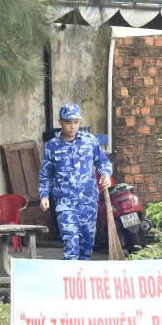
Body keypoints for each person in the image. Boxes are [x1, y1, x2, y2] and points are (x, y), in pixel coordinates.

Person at [38, 103, 112, 261]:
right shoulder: (52, 146)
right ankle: (69, 276)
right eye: (68, 122)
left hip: (88, 203)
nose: (72, 127)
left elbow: (102, 162)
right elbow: (46, 174)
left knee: (86, 250)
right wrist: (44, 195)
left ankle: (82, 277)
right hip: (65, 204)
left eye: (76, 122)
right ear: (60, 122)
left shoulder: (90, 141)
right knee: (71, 247)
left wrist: (105, 175)